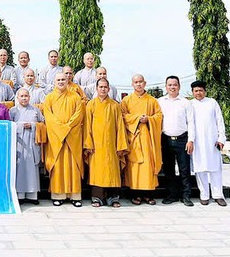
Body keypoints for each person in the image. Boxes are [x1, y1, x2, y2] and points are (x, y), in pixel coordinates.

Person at [83, 77, 128, 208]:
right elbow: (87, 126)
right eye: (100, 87)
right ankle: (97, 198)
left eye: (105, 87)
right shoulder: (91, 105)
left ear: (109, 89)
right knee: (97, 171)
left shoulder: (115, 105)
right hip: (96, 146)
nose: (103, 89)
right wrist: (88, 144)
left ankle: (113, 198)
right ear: (96, 89)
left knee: (112, 170)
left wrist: (121, 146)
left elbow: (120, 126)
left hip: (112, 145)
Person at [43, 74, 85, 207]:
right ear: (54, 82)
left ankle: (75, 195)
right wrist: (61, 129)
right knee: (58, 165)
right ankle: (58, 195)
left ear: (68, 81)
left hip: (72, 136)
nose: (61, 82)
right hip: (56, 137)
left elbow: (79, 115)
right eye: (58, 80)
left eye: (63, 80)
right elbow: (48, 117)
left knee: (73, 165)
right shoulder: (49, 98)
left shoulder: (75, 97)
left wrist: (67, 128)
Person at [121, 74, 163, 205]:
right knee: (134, 166)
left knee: (148, 166)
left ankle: (148, 195)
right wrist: (137, 119)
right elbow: (122, 116)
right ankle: (136, 195)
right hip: (133, 138)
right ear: (132, 84)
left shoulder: (152, 100)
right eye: (136, 82)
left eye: (140, 82)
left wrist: (149, 119)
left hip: (148, 139)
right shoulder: (126, 100)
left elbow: (159, 116)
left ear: (145, 83)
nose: (138, 84)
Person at [189, 80, 227, 206]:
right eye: (196, 91)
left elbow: (219, 121)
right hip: (198, 143)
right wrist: (191, 140)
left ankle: (218, 195)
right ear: (192, 92)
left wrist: (221, 138)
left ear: (205, 91)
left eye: (200, 90)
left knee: (215, 169)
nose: (198, 93)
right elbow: (190, 124)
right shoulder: (190, 105)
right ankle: (204, 195)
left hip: (212, 142)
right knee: (200, 170)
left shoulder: (212, 103)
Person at [159, 75, 194, 206]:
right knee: (168, 170)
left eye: (175, 85)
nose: (172, 87)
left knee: (184, 169)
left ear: (179, 86)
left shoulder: (186, 102)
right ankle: (172, 195)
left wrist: (191, 140)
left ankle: (186, 196)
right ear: (166, 87)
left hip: (182, 139)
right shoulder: (160, 101)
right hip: (166, 139)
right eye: (170, 85)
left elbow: (191, 122)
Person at [11, 87, 43, 204]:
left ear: (30, 97)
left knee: (32, 168)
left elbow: (43, 124)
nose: (24, 98)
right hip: (19, 142)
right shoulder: (13, 111)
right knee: (19, 167)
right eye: (22, 96)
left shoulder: (35, 110)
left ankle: (32, 196)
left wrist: (34, 126)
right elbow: (10, 126)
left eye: (26, 96)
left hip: (32, 142)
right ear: (17, 98)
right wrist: (20, 126)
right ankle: (20, 195)